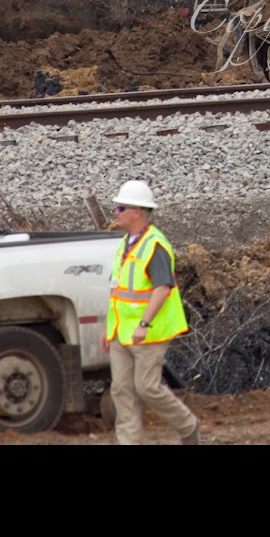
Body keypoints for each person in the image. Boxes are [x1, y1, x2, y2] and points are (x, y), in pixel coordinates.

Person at [101, 178, 202, 445]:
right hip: (122, 332)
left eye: (121, 208)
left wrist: (143, 324)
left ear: (136, 211)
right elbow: (118, 292)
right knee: (121, 390)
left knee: (147, 388)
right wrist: (108, 329)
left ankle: (188, 425)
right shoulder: (126, 244)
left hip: (149, 332)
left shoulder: (154, 245)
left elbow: (162, 288)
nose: (116, 212)